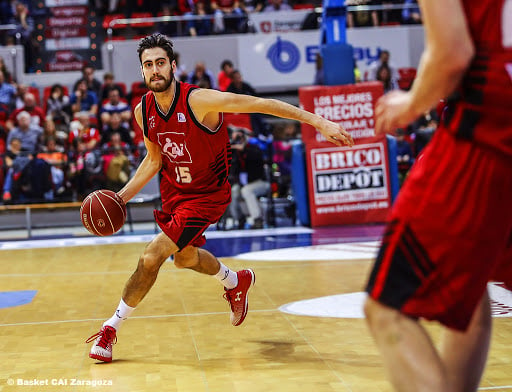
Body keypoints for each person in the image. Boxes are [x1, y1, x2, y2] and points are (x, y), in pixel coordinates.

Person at [86, 33, 353, 363]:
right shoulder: (143, 111)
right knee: (184, 259)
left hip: (207, 195)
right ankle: (235, 281)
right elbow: (154, 159)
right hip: (175, 195)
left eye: (159, 63)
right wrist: (120, 198)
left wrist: (317, 121)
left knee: (151, 256)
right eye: (147, 65)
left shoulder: (200, 101)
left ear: (172, 66)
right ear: (142, 72)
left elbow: (260, 104)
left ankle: (111, 329)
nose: (154, 70)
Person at [364, 0, 512, 391]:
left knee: (386, 307)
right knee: (470, 288)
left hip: (490, 133)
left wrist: (411, 103)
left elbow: (452, 54)